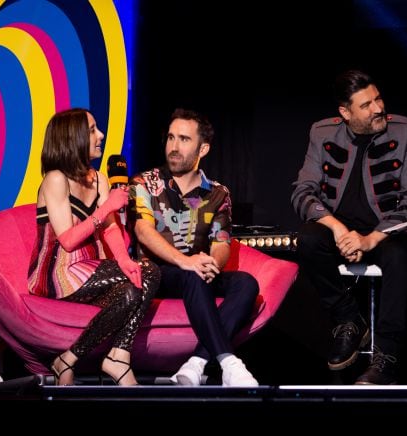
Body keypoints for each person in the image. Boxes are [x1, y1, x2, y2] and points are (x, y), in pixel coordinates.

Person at [291, 69, 407, 384]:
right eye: (366, 105)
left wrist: (371, 239)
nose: (378, 108)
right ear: (345, 112)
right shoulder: (322, 132)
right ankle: (348, 318)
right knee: (309, 240)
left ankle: (387, 356)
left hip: (391, 228)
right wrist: (338, 229)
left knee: (396, 257)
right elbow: (303, 191)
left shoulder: (405, 129)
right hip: (344, 228)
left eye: (378, 99)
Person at [28, 108, 160, 386]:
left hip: (90, 269)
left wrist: (125, 261)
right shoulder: (56, 179)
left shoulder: (98, 178)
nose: (100, 136)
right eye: (92, 130)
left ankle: (91, 357)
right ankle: (101, 359)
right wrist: (107, 208)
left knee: (140, 278)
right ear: (72, 137)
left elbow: (110, 227)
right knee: (146, 275)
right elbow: (68, 240)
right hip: (58, 274)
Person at [130, 108, 260, 387]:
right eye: (171, 138)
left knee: (246, 283)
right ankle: (228, 361)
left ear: (204, 148)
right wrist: (185, 261)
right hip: (157, 273)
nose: (174, 147)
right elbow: (143, 230)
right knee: (191, 274)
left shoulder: (218, 193)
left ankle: (196, 363)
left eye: (184, 140)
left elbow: (222, 240)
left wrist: (212, 263)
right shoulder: (146, 182)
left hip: (197, 273)